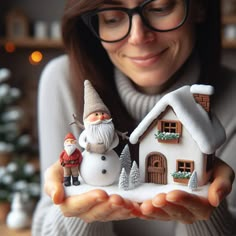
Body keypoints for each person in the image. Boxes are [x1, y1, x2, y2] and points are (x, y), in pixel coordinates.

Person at [32, 0, 236, 235]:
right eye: (112, 18)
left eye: (160, 7)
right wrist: (79, 208)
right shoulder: (63, 80)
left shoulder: (228, 99)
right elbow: (44, 225)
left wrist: (206, 209)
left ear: (199, 7)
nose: (138, 37)